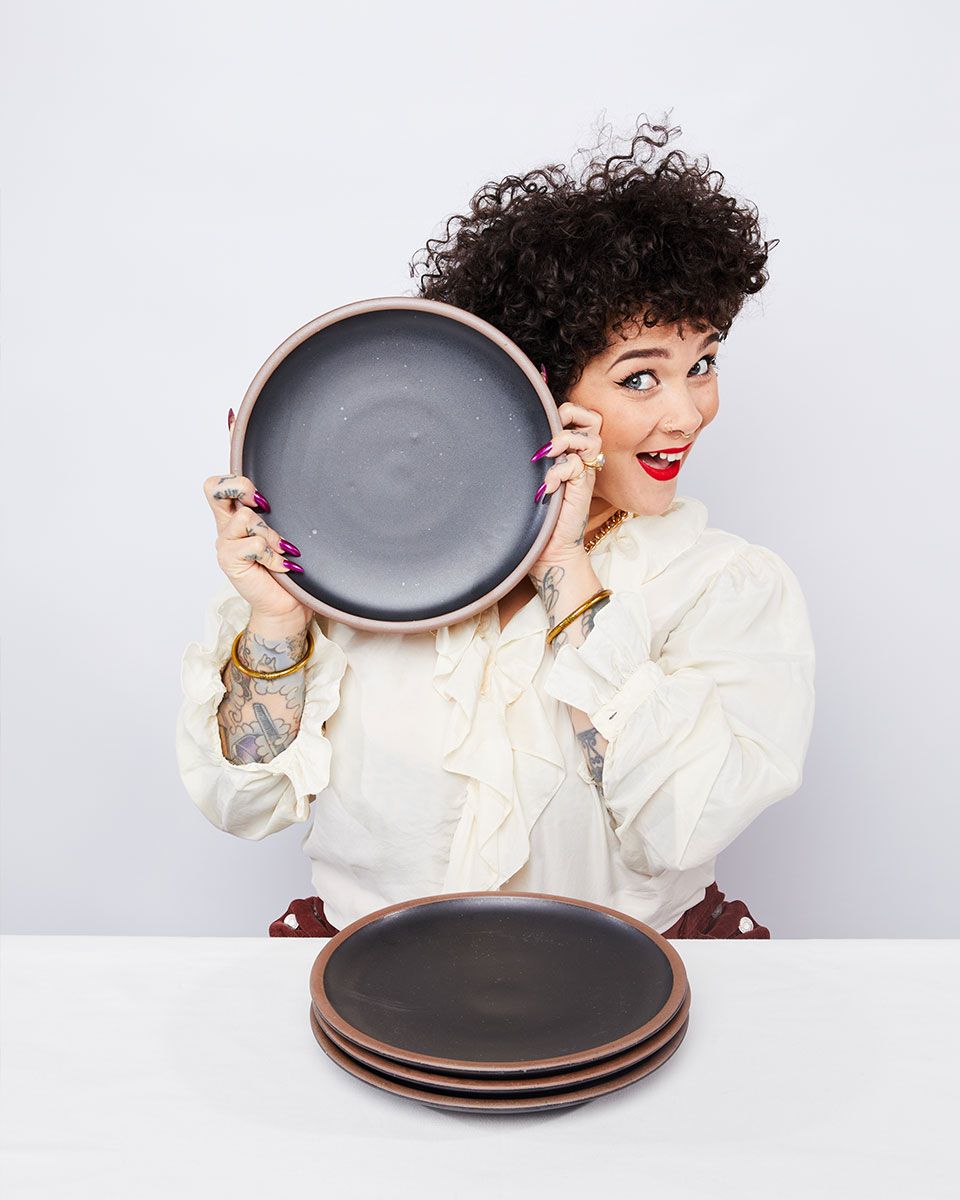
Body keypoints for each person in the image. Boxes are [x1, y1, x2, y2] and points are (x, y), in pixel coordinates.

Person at [175, 117, 815, 940]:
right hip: (380, 985)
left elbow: (681, 826)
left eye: (703, 363)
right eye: (641, 376)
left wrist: (567, 569)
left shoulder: (727, 586)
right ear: (537, 385)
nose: (687, 414)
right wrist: (277, 622)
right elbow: (243, 807)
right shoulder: (358, 576)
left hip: (625, 985)